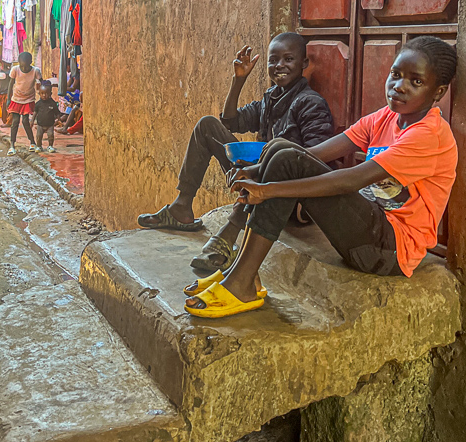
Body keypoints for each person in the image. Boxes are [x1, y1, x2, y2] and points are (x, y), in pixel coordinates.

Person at [185, 36, 458, 318]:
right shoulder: (385, 117)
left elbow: (350, 180)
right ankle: (243, 274)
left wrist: (268, 190)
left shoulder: (429, 135)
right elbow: (312, 154)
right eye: (396, 74)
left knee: (286, 158)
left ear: (438, 92)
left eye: (416, 81)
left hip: (389, 250)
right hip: (365, 228)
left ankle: (241, 282)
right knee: (280, 148)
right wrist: (255, 171)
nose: (399, 86)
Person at [137, 33, 334, 274]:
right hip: (259, 177)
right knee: (207, 126)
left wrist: (264, 167)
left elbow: (316, 159)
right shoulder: (271, 99)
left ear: (304, 63)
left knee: (273, 158)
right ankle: (181, 207)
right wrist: (238, 79)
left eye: (288, 59)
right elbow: (231, 121)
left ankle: (228, 235)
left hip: (292, 194)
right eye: (273, 60)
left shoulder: (310, 103)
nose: (279, 66)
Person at [6, 51, 41, 155]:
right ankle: (12, 145)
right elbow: (10, 84)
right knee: (15, 122)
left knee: (26, 121)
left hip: (28, 99)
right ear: (19, 63)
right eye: (22, 66)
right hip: (16, 98)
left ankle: (32, 142)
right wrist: (8, 99)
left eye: (26, 66)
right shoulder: (15, 70)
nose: (24, 68)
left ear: (31, 62)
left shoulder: (35, 71)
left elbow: (42, 82)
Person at [33, 80, 62, 153]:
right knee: (39, 136)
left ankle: (50, 146)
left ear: (50, 94)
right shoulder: (38, 104)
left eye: (46, 93)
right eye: (42, 93)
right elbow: (35, 112)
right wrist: (32, 121)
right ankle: (39, 146)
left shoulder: (52, 103)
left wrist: (59, 119)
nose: (44, 95)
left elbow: (57, 112)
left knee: (51, 135)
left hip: (50, 124)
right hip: (40, 124)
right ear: (39, 94)